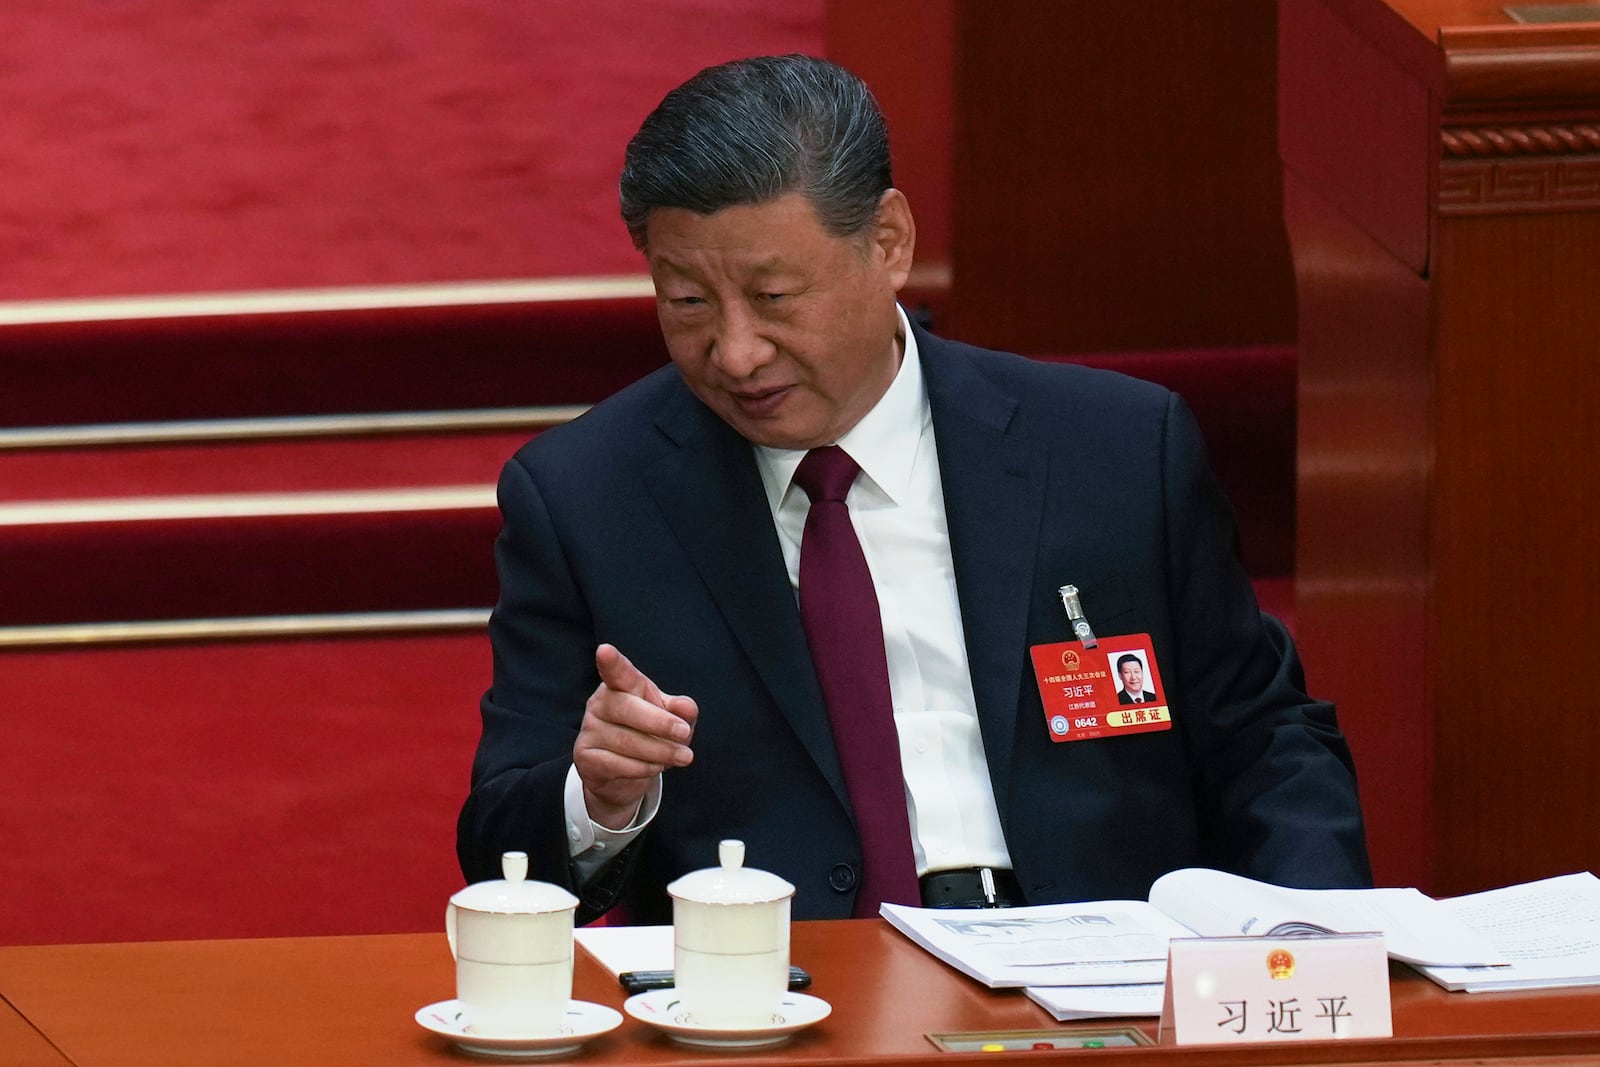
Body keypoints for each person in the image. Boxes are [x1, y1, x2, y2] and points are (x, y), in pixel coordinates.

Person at [457, 54, 1370, 924]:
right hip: (778, 996)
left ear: (887, 242)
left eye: (774, 297)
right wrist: (599, 796)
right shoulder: (588, 497)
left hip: (1091, 971)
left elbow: (1267, 744)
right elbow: (502, 841)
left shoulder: (1117, 450)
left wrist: (1319, 944)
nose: (734, 353)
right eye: (687, 302)